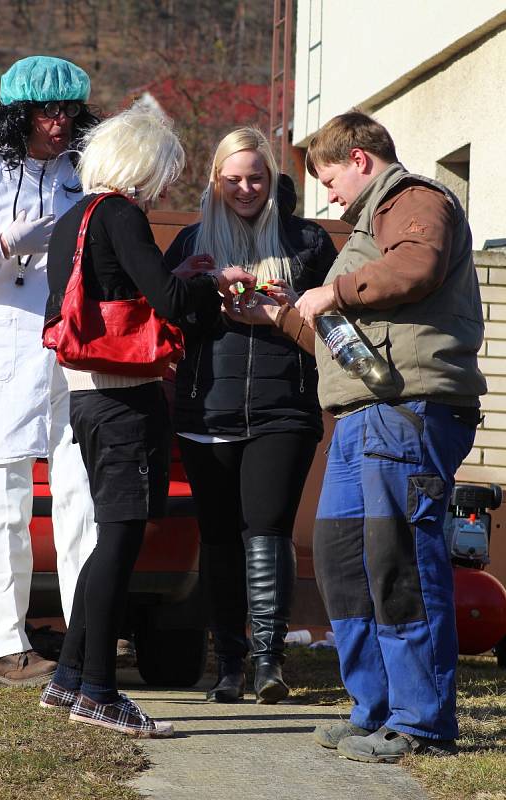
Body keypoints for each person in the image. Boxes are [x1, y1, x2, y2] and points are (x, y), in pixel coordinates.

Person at [233, 110, 486, 760]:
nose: (326, 193)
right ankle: (373, 709)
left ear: (360, 160)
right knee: (344, 563)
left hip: (406, 406)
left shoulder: (413, 201)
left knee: (398, 556)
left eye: (328, 175)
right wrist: (280, 315)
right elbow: (338, 338)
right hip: (355, 416)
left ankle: (422, 723)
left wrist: (334, 289)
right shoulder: (366, 228)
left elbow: (416, 267)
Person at [39, 106, 255, 736]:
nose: (163, 187)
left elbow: (115, 293)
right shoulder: (122, 214)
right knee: (121, 538)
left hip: (86, 395)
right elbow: (168, 304)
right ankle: (100, 692)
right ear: (141, 165)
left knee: (111, 537)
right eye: (162, 172)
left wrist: (178, 276)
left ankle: (70, 677)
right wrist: (216, 282)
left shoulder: (75, 217)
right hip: (126, 397)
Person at [163, 127, 337, 704]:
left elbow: (335, 333)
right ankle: (229, 665)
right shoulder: (191, 243)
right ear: (215, 181)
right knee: (217, 538)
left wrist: (282, 314)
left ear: (272, 181)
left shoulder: (307, 242)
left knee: (266, 529)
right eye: (233, 179)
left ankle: (268, 663)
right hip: (203, 412)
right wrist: (202, 298)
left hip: (281, 410)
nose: (245, 188)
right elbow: (164, 321)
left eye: (256, 178)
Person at [0, 56, 99, 686]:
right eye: (46, 111)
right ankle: (8, 646)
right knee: (4, 501)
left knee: (79, 495)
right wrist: (5, 243)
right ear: (17, 114)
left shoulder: (84, 173)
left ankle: (85, 637)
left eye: (68, 111)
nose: (59, 123)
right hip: (0, 352)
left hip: (70, 351)